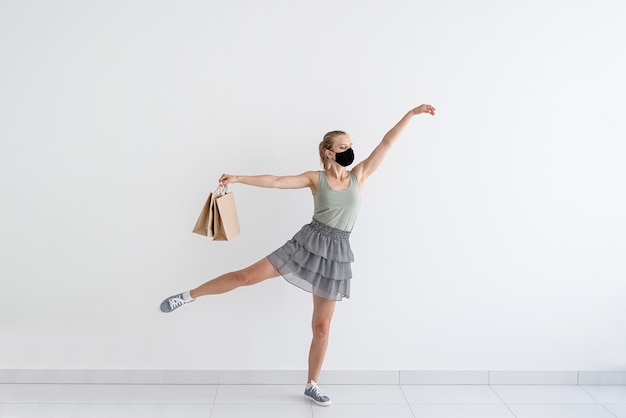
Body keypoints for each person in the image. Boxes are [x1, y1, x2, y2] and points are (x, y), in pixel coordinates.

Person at [159, 104, 436, 407]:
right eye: (343, 147)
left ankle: (312, 384)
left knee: (322, 327)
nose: (350, 151)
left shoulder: (360, 175)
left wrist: (411, 114)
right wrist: (238, 178)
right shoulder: (315, 179)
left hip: (337, 253)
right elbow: (277, 181)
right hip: (308, 242)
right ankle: (189, 295)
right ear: (329, 152)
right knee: (245, 277)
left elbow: (387, 142)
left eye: (351, 146)